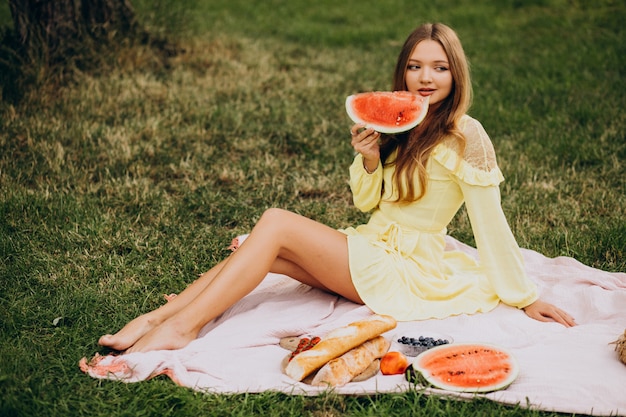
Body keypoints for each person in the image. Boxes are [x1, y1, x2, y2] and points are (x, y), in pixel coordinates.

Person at [99, 22, 575, 354]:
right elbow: (369, 202)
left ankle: (181, 326)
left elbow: (491, 225)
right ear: (402, 71)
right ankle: (159, 319)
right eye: (414, 66)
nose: (425, 78)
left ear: (457, 73)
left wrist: (524, 296)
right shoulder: (398, 121)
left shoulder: (467, 135)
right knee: (269, 254)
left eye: (439, 67)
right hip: (373, 245)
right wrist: (370, 159)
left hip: (408, 269)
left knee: (276, 223)